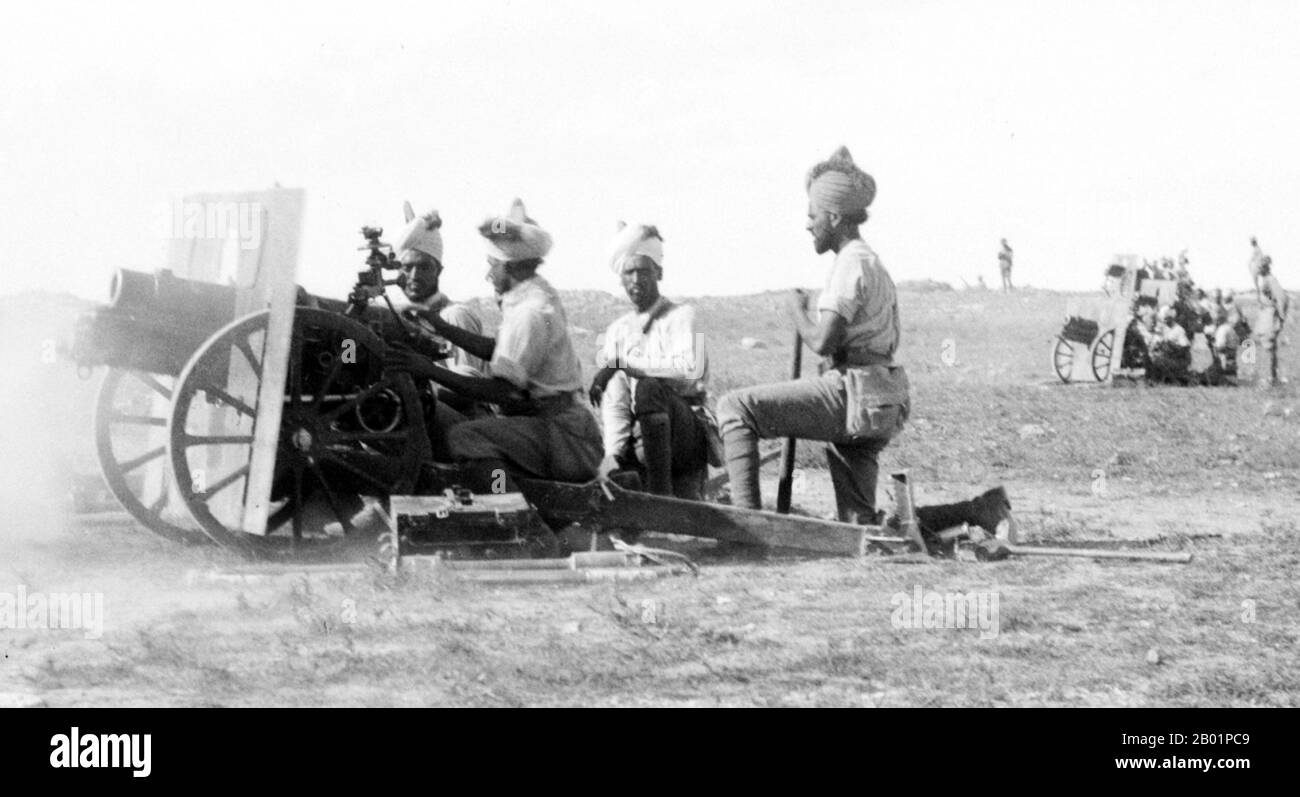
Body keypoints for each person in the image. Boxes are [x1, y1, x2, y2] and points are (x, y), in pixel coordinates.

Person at [384, 199, 602, 551]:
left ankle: (527, 530)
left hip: (562, 436)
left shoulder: (530, 311)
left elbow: (503, 392)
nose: (488, 274)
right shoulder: (533, 295)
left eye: (492, 265)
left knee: (466, 439)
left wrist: (427, 370)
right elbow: (499, 349)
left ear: (509, 267)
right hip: (562, 426)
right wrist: (440, 325)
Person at [717, 146, 909, 524]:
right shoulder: (871, 261)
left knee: (735, 408)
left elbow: (823, 341)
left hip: (852, 394)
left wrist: (796, 312)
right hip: (879, 399)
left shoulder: (851, 261)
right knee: (860, 525)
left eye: (813, 214)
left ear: (834, 216)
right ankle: (974, 511)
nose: (808, 224)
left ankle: (748, 527)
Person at [588, 222, 716, 498]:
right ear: (621, 278)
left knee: (647, 388)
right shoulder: (617, 331)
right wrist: (613, 453)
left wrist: (626, 365)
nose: (636, 279)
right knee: (615, 460)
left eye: (643, 270)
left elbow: (690, 373)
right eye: (629, 272)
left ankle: (662, 500)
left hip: (684, 433)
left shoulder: (684, 316)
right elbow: (616, 400)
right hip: (643, 433)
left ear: (659, 272)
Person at [1255, 256, 1290, 387]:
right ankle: (1271, 378)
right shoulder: (1265, 279)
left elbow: (1282, 298)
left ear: (1265, 267)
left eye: (1259, 267)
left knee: (1268, 347)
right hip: (1265, 315)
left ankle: (1270, 379)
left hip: (1270, 316)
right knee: (1267, 347)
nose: (1256, 269)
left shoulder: (1270, 279)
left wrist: (1281, 318)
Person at [1147, 306, 1191, 383]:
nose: (1165, 321)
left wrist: (1171, 345)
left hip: (1178, 358)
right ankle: (1154, 379)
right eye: (1164, 319)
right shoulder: (1165, 329)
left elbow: (1184, 348)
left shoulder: (1179, 330)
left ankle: (1158, 380)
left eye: (1166, 319)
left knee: (1159, 360)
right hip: (1167, 355)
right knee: (1153, 356)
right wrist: (1160, 345)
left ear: (1172, 319)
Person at [1248, 237, 1267, 302]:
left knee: (1257, 284)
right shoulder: (1257, 249)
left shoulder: (1257, 249)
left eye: (1251, 242)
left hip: (1257, 268)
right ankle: (1259, 297)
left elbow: (1254, 259)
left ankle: (1259, 298)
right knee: (1257, 283)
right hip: (1258, 267)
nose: (1251, 243)